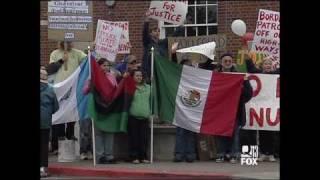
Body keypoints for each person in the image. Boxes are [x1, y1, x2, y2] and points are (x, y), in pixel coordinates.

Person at [47, 41, 87, 154]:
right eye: (64, 42)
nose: (67, 43)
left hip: (72, 88)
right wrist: (61, 61)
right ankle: (56, 144)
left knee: (71, 115)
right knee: (58, 116)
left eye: (69, 41)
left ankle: (69, 139)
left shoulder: (77, 53)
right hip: (59, 89)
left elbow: (87, 61)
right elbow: (50, 69)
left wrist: (90, 51)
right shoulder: (55, 53)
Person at [215, 52, 253, 163]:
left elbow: (249, 93)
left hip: (235, 110)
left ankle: (234, 154)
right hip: (220, 110)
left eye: (229, 61)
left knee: (234, 133)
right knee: (220, 133)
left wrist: (242, 89)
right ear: (221, 63)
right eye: (225, 61)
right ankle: (222, 153)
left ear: (232, 62)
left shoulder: (239, 75)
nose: (227, 63)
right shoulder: (216, 75)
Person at [83, 58, 118, 164]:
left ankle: (109, 155)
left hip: (109, 108)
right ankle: (100, 156)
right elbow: (84, 91)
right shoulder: (92, 77)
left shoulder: (111, 77)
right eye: (104, 65)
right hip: (97, 108)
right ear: (98, 66)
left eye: (108, 65)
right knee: (98, 134)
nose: (106, 67)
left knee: (109, 132)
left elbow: (116, 90)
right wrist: (90, 84)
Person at [245, 56, 279, 162]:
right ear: (262, 65)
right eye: (266, 64)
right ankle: (264, 153)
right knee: (262, 132)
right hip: (260, 108)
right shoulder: (258, 73)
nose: (268, 66)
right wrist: (247, 58)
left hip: (272, 107)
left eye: (269, 64)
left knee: (272, 132)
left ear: (272, 66)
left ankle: (271, 153)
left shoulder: (275, 74)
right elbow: (250, 68)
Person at [170, 44, 197, 163]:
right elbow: (173, 65)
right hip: (180, 106)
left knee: (190, 132)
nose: (187, 67)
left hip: (192, 106)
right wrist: (173, 53)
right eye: (185, 65)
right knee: (180, 132)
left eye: (189, 65)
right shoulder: (178, 75)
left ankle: (190, 154)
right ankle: (179, 154)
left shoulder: (195, 76)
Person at [127, 69, 151, 164]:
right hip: (133, 117)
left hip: (145, 117)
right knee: (134, 138)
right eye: (137, 75)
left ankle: (143, 156)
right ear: (133, 77)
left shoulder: (149, 87)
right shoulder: (130, 87)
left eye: (140, 76)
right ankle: (134, 157)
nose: (139, 77)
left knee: (144, 138)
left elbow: (153, 100)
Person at [40, 67, 59, 177]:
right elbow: (56, 107)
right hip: (45, 121)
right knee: (44, 145)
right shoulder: (50, 90)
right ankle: (43, 169)